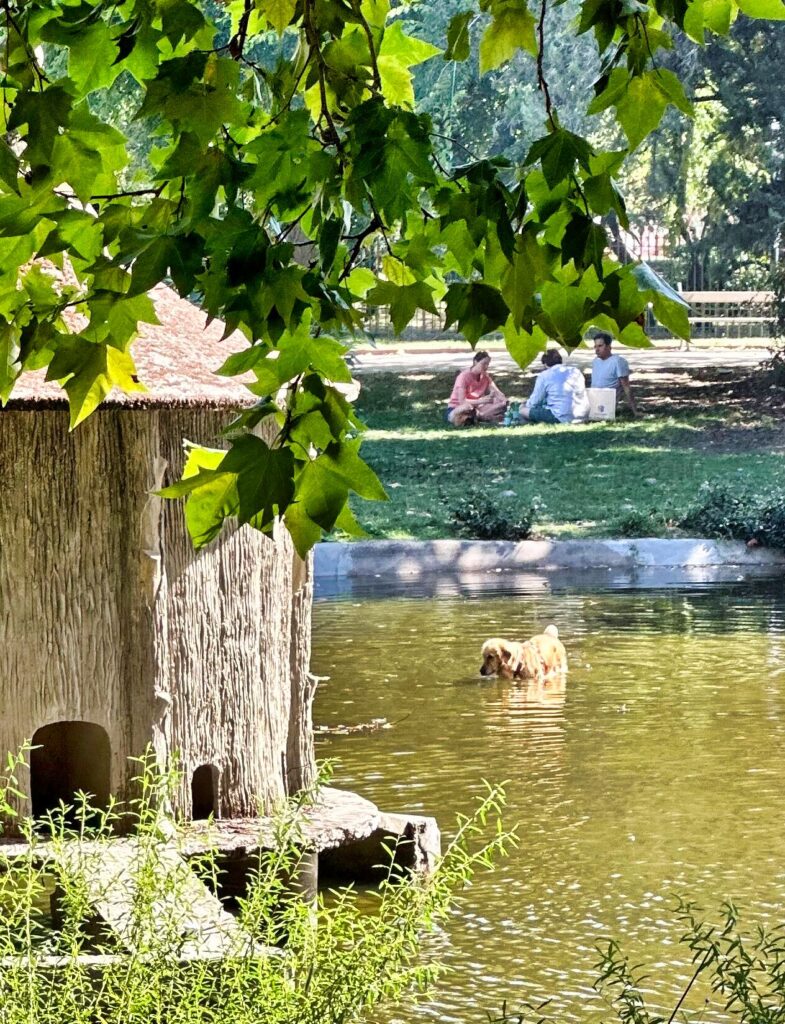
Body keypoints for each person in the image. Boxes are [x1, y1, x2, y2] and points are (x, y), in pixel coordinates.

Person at [519, 349, 590, 424]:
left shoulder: (544, 375)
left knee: (523, 410)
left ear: (545, 364)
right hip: (583, 415)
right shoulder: (575, 371)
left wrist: (524, 405)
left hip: (561, 416)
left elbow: (534, 402)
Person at [446, 350, 507, 426]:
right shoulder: (463, 376)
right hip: (458, 407)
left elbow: (497, 392)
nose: (486, 367)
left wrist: (504, 401)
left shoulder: (485, 376)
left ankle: (480, 416)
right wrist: (480, 401)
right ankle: (482, 416)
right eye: (484, 364)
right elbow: (462, 401)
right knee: (467, 408)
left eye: (488, 364)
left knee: (499, 402)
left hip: (477, 408)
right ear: (475, 362)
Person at [590, 331, 638, 416]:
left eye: (600, 346)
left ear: (609, 347)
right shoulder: (595, 361)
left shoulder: (618, 361)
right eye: (595, 346)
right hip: (593, 400)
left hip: (607, 404)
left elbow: (626, 387)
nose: (597, 350)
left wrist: (635, 411)